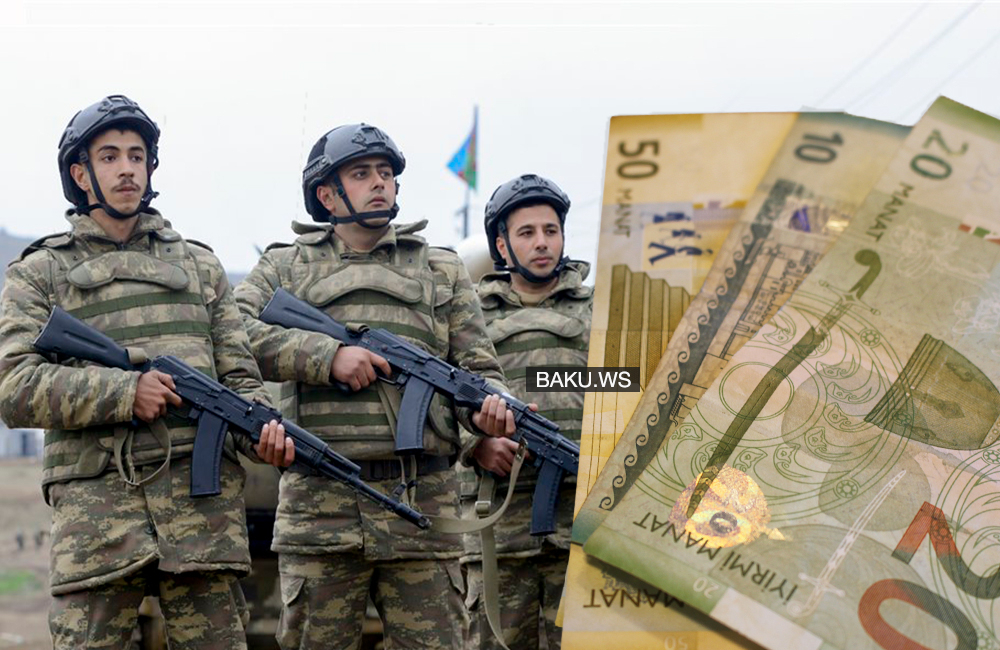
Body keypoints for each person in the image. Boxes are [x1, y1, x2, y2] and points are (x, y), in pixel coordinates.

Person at [0, 95, 293, 650]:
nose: (127, 169)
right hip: (97, 524)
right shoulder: (40, 271)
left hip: (202, 522)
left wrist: (265, 433)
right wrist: (124, 392)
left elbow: (239, 381)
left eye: (137, 156)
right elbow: (14, 387)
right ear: (80, 174)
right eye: (109, 156)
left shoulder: (200, 267)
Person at [234, 123, 515, 650]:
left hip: (423, 508)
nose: (379, 183)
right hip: (321, 509)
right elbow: (233, 336)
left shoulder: (441, 270)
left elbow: (479, 370)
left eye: (385, 172)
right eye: (361, 174)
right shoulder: (285, 266)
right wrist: (327, 357)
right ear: (326, 195)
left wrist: (487, 418)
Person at [464, 174, 592, 650]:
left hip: (583, 533)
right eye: (527, 232)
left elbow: (633, 392)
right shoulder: (468, 317)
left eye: (551, 230)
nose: (542, 243)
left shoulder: (600, 312)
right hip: (499, 532)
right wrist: (476, 444)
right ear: (501, 245)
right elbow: (438, 401)